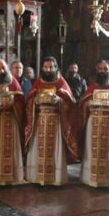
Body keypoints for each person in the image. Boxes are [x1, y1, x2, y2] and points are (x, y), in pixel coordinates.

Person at [25, 56, 79, 185]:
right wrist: (35, 101)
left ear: (56, 68)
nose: (48, 70)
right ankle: (36, 177)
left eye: (51, 67)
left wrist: (59, 100)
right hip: (39, 122)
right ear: (42, 68)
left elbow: (71, 104)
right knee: (38, 149)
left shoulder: (61, 83)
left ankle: (55, 179)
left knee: (54, 150)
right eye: (46, 67)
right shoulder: (38, 83)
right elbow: (28, 103)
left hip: (56, 123)